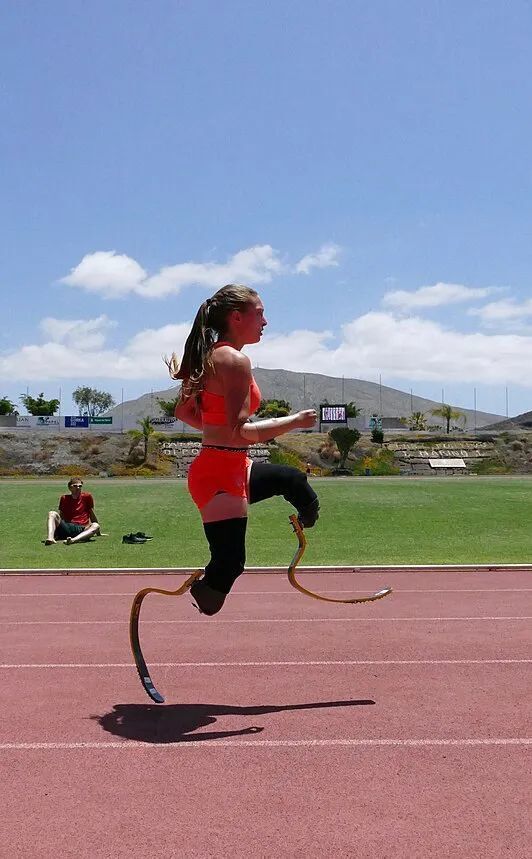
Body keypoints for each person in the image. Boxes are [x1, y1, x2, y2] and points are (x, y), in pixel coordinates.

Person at [166, 283, 320, 616]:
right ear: (237, 317)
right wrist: (294, 421)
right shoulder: (234, 361)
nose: (265, 322)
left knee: (293, 480)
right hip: (221, 474)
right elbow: (240, 432)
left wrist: (217, 434)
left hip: (230, 465)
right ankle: (201, 593)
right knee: (229, 566)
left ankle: (306, 516)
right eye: (260, 313)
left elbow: (184, 413)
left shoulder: (209, 356)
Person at [45, 477, 102, 545]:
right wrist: (57, 531)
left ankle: (73, 540)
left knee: (96, 525)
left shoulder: (87, 497)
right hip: (68, 526)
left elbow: (92, 514)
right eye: (75, 486)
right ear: (69, 487)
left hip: (82, 528)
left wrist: (98, 532)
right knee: (52, 513)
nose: (78, 488)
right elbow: (61, 516)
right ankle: (50, 538)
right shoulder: (64, 498)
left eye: (80, 486)